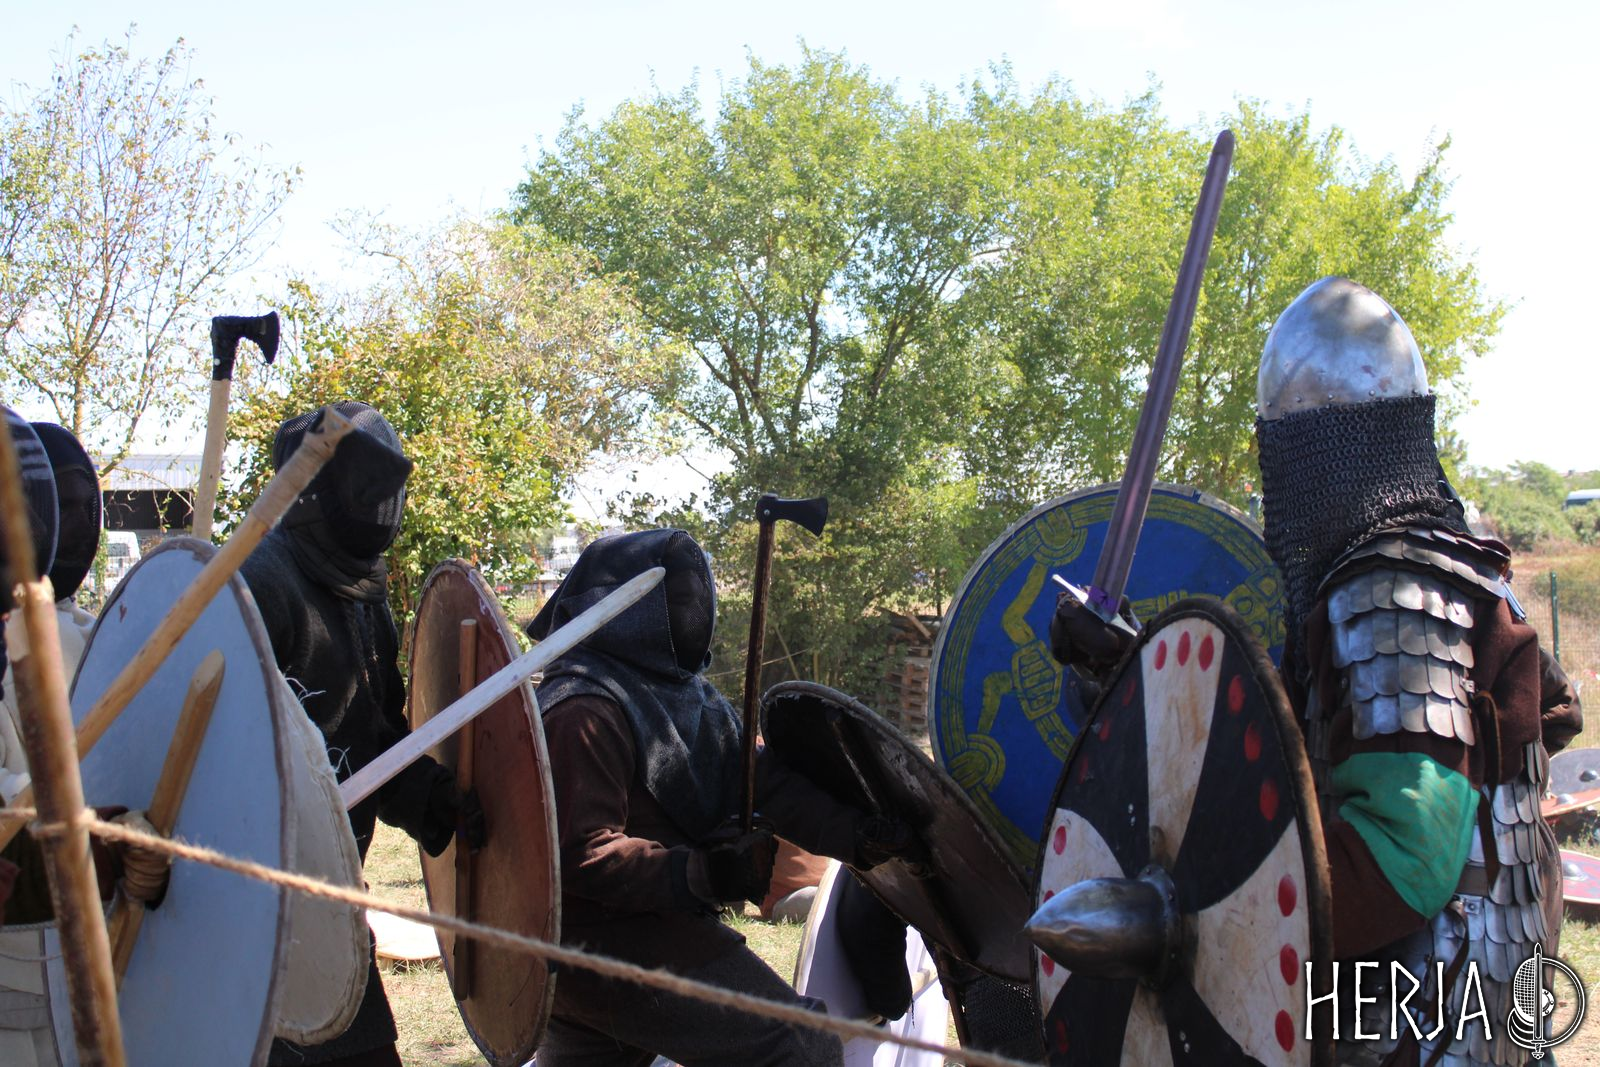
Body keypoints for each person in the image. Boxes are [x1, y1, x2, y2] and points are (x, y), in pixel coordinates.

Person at [1053, 277, 1555, 1066]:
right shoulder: (1436, 577)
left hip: (1425, 1022)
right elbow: (1277, 761)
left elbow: (1407, 862)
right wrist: (1134, 672)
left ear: (1299, 447)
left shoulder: (1392, 593)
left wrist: (1207, 926)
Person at [527, 528, 920, 1067]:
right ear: (627, 608)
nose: (692, 612)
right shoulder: (582, 710)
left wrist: (854, 834)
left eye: (695, 596)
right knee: (799, 1046)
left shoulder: (688, 696)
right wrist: (703, 873)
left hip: (650, 926)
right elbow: (581, 856)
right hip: (597, 944)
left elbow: (762, 783)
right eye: (675, 599)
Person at [239, 402, 482, 1067]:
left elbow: (372, 734)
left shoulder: (361, 596)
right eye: (362, 486)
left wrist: (431, 796)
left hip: (332, 894)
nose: (378, 505)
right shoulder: (257, 586)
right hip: (251, 903)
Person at [0, 414, 168, 1067]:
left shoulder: (104, 636)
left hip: (88, 980)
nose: (76, 523)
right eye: (58, 506)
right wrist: (91, 844)